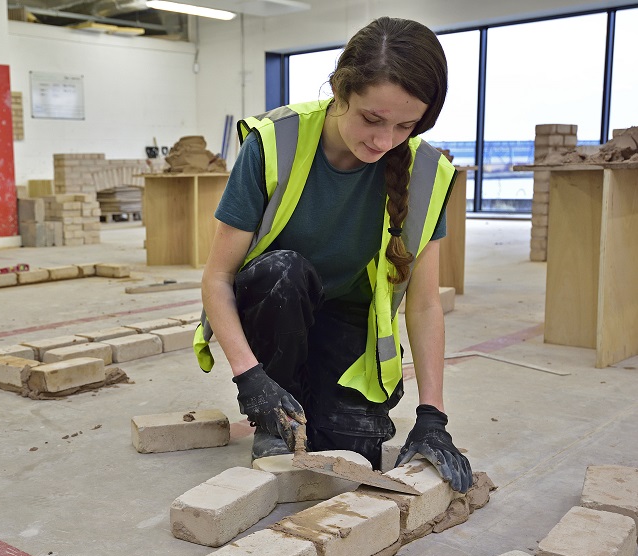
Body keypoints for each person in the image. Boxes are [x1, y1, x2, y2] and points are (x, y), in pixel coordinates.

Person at [194, 16, 472, 494]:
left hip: (350, 321)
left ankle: (311, 411)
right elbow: (217, 279)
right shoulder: (274, 143)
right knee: (284, 270)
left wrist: (432, 415)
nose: (385, 142)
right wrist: (251, 377)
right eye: (371, 119)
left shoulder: (427, 174)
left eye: (405, 125)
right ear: (340, 90)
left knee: (347, 452)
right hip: (277, 306)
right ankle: (274, 418)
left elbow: (425, 305)